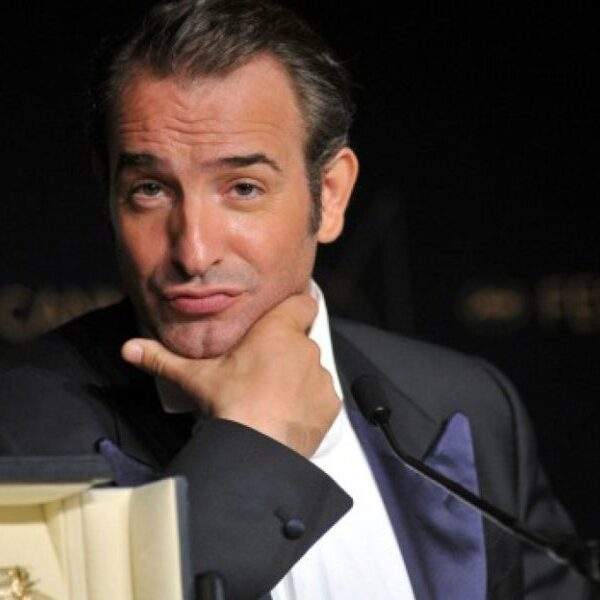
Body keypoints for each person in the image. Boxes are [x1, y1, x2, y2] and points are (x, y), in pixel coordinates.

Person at [0, 1, 594, 598]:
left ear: (329, 195)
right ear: (109, 196)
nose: (194, 251)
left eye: (243, 188)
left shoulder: (467, 404)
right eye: (150, 189)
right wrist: (253, 446)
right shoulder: (20, 430)